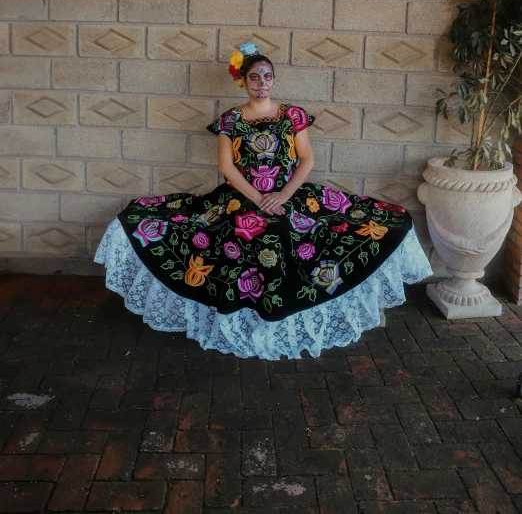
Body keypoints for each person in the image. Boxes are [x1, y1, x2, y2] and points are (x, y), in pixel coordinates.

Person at [95, 41, 432, 359]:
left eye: (267, 76)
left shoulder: (293, 116)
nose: (261, 82)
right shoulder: (231, 120)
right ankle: (248, 317)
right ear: (243, 81)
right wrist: (259, 198)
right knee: (234, 233)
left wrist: (283, 195)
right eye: (254, 77)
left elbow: (307, 160)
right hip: (241, 195)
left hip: (291, 194)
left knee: (343, 228)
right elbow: (227, 167)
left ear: (274, 80)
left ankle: (292, 315)